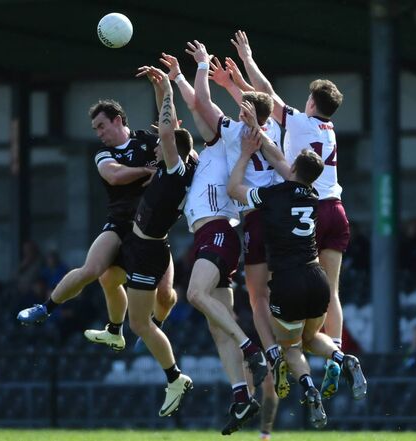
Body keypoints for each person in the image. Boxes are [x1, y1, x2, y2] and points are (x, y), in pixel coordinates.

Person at [229, 30, 350, 398]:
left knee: (269, 291)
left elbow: (265, 93)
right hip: (336, 209)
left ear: (312, 102)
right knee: (330, 291)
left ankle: (285, 352)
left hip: (309, 207)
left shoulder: (299, 122)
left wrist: (247, 61)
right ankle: (337, 350)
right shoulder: (330, 132)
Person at [227, 125, 367, 428]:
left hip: (288, 282)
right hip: (317, 280)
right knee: (309, 338)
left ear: (292, 169)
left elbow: (234, 189)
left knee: (290, 346)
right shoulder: (314, 197)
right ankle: (343, 358)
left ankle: (310, 389)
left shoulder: (272, 195)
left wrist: (246, 153)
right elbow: (288, 168)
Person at [17, 89, 177, 352]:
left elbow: (174, 151)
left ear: (118, 120)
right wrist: (146, 171)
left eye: (101, 126)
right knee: (96, 271)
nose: (99, 133)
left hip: (151, 231)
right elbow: (113, 176)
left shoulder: (149, 141)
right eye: (95, 129)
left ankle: (150, 328)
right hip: (120, 223)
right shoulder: (103, 154)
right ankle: (47, 309)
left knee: (166, 294)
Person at [165, 45, 267, 435]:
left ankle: (250, 348)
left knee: (193, 295)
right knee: (215, 325)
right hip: (215, 234)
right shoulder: (218, 144)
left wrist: (204, 66)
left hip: (218, 231)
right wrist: (178, 78)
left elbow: (203, 103)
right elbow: (198, 107)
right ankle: (242, 397)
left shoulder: (230, 137)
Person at [111, 65, 196, 416]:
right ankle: (112, 328)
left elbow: (167, 130)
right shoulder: (177, 164)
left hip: (148, 249)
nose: (156, 145)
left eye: (162, 144)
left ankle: (175, 377)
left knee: (139, 324)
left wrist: (169, 93)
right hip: (141, 245)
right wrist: (161, 89)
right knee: (107, 278)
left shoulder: (175, 169)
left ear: (172, 149)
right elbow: (170, 126)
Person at [207, 50, 283, 437]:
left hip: (256, 212)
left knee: (257, 299)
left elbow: (236, 187)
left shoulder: (242, 137)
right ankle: (281, 351)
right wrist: (237, 83)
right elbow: (264, 98)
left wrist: (224, 82)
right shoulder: (280, 132)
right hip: (288, 218)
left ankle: (269, 350)